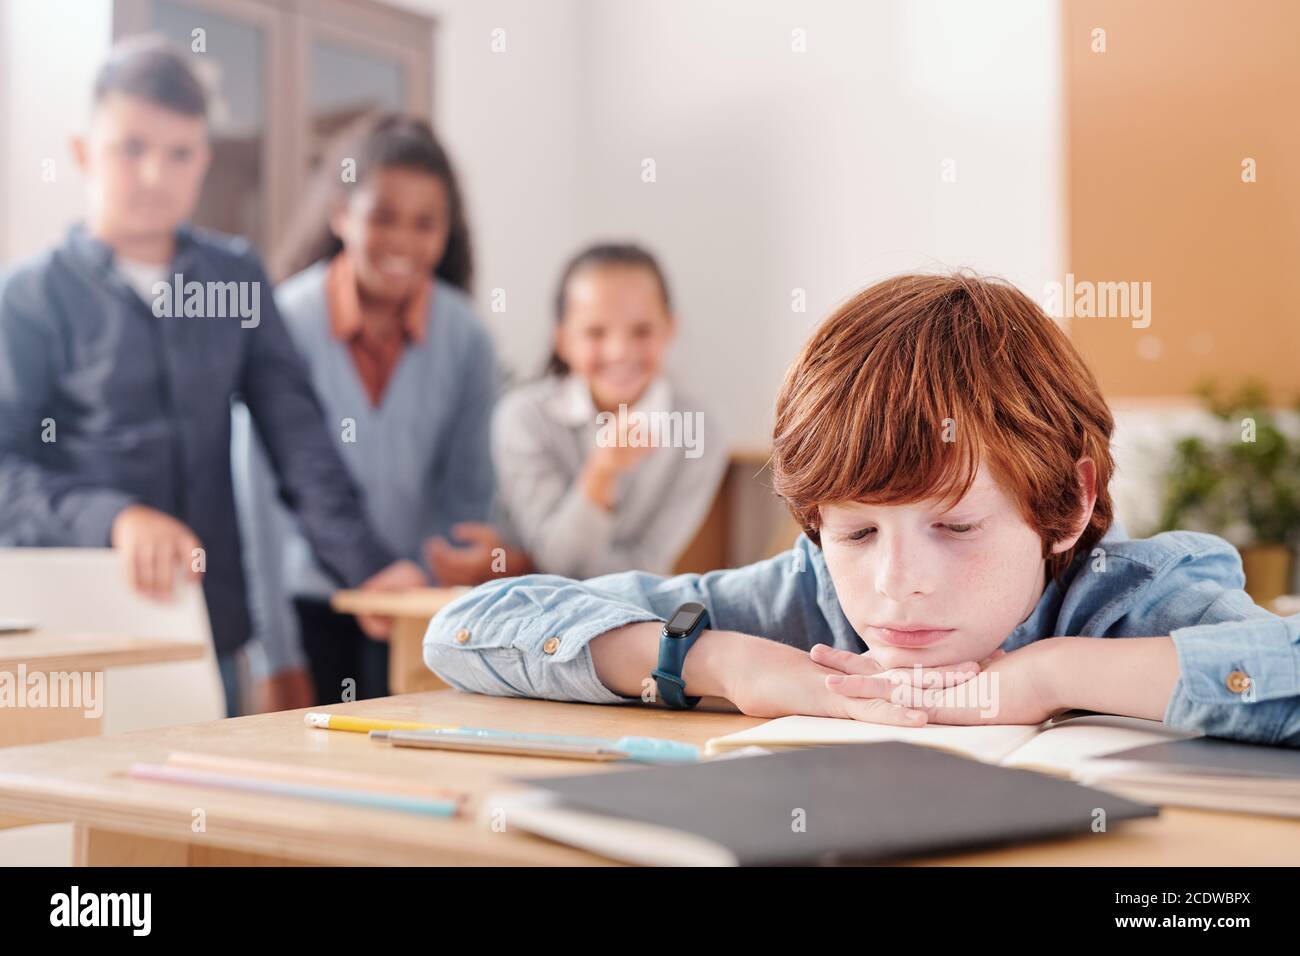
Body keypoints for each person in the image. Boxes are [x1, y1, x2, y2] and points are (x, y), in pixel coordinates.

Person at [423, 272, 1300, 746]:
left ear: (1070, 504)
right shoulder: (801, 603)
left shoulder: (1134, 597)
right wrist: (722, 662)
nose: (895, 584)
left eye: (955, 526)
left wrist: (1052, 676)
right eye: (856, 530)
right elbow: (466, 628)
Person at [0, 39, 423, 716]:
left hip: (208, 635)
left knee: (198, 819)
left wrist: (367, 567)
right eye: (130, 147)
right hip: (69, 643)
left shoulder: (236, 278)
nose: (152, 174)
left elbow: (300, 440)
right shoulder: (26, 296)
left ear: (204, 159)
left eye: (178, 153)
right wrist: (115, 519)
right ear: (84, 152)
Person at [238, 114, 497, 706]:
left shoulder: (468, 342)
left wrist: (443, 600)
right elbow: (257, 505)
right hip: (305, 612)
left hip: (416, 613)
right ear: (340, 214)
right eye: (382, 216)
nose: (402, 241)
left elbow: (466, 498)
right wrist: (274, 655)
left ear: (446, 231)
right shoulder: (283, 324)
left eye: (425, 223)